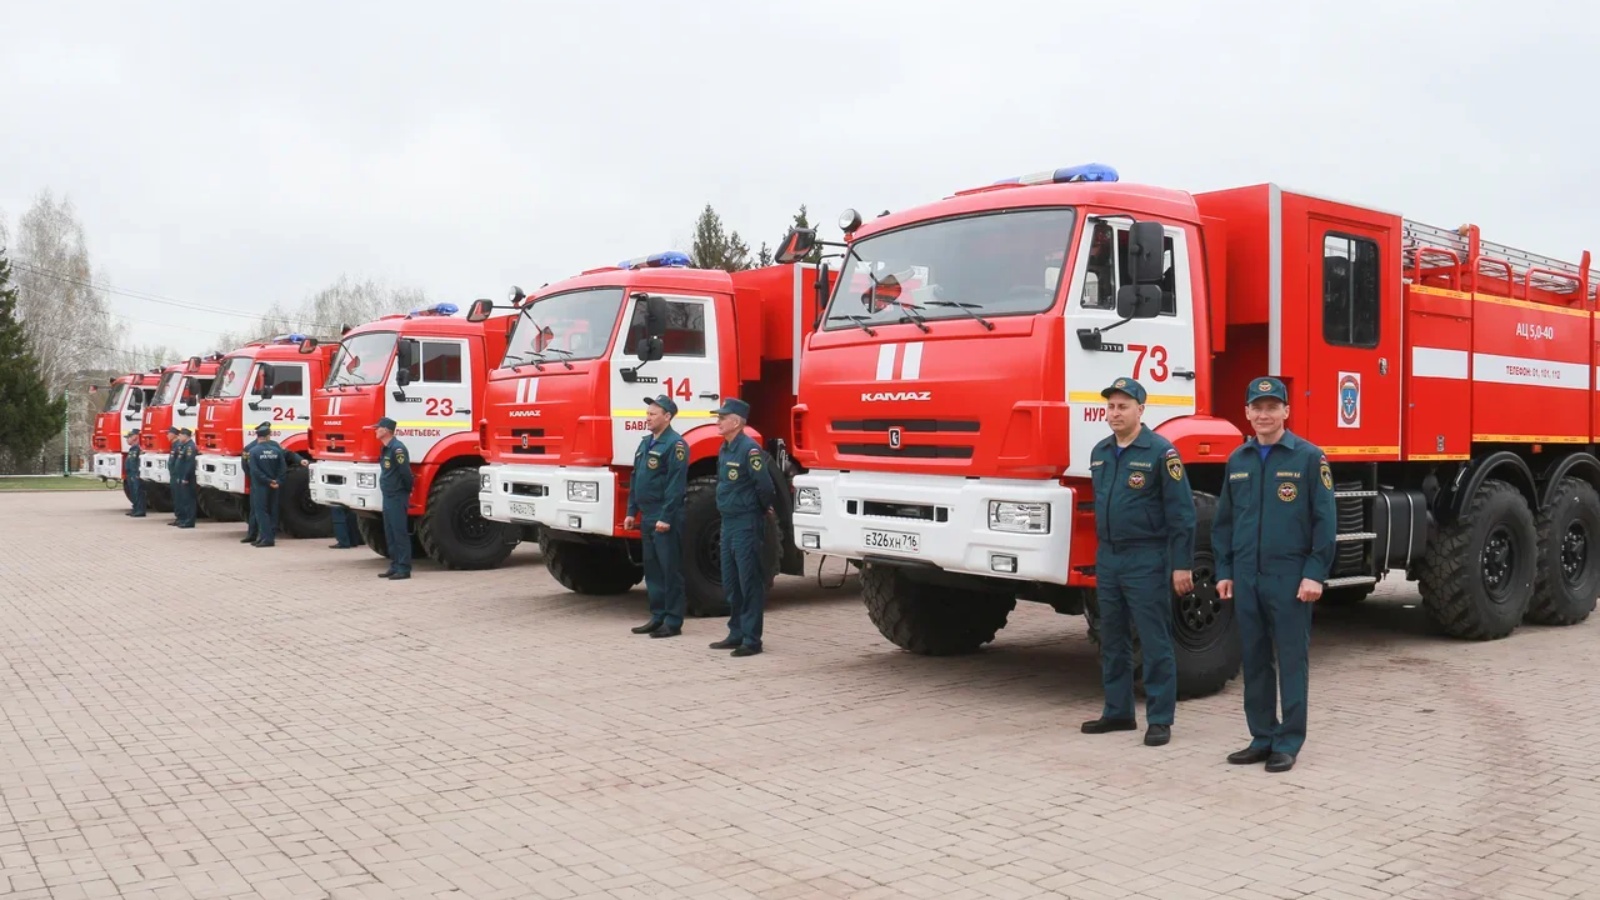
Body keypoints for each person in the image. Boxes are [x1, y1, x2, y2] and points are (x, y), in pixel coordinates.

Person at [1213, 376, 1337, 773]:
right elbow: (1224, 524)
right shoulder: (1238, 461)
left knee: (1292, 658)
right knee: (1254, 658)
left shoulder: (1308, 458)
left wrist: (1314, 573)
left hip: (1289, 577)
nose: (1264, 414)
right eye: (1257, 407)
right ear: (1246, 413)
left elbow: (1324, 521)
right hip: (1247, 576)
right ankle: (1262, 736)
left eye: (1272, 407)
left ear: (1287, 411)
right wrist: (1225, 570)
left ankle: (1288, 741)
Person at [1080, 377, 1195, 747]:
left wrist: (1181, 564)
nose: (1115, 413)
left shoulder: (1161, 453)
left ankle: (1160, 718)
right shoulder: (1100, 452)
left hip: (1147, 557)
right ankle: (1118, 712)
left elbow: (1182, 514)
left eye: (1123, 406)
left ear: (1141, 411)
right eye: (1111, 406)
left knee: (1154, 638)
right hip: (1110, 558)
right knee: (1111, 638)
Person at [708, 398, 776, 657]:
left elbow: (765, 486)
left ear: (736, 422)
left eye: (722, 418)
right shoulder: (725, 448)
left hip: (746, 523)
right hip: (728, 522)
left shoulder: (749, 450)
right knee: (731, 580)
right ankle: (735, 632)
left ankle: (751, 639)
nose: (718, 421)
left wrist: (759, 509)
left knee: (748, 581)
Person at [625, 395, 689, 638]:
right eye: (647, 413)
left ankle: (673, 621)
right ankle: (657, 615)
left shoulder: (676, 445)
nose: (648, 418)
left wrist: (666, 516)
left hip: (664, 517)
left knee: (669, 569)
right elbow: (635, 478)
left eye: (653, 414)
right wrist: (632, 511)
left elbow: (676, 485)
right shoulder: (646, 443)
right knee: (652, 569)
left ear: (668, 417)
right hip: (647, 516)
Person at [245, 422, 308, 547]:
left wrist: (266, 480)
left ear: (258, 435)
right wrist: (277, 481)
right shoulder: (275, 448)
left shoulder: (252, 450)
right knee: (272, 510)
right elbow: (283, 467)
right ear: (268, 435)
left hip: (260, 484)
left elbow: (252, 470)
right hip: (274, 484)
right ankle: (267, 536)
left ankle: (266, 538)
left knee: (261, 511)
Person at [373, 417, 414, 579]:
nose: (376, 431)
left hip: (397, 495)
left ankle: (404, 568)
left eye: (378, 428)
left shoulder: (397, 449)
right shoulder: (385, 448)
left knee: (399, 532)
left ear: (386, 430)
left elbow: (405, 473)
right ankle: (395, 564)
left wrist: (405, 491)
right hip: (388, 495)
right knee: (390, 532)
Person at [170, 428, 198, 529]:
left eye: (181, 435)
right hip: (180, 476)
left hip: (188, 478)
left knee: (188, 500)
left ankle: (189, 521)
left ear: (186, 436)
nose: (179, 437)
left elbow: (189, 464)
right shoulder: (183, 446)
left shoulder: (190, 447)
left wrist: (185, 477)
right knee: (183, 499)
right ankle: (184, 519)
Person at [123, 430, 146, 518]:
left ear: (135, 437)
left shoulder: (139, 448)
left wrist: (137, 473)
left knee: (138, 491)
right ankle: (135, 508)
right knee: (133, 492)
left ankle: (140, 510)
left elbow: (139, 462)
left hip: (135, 473)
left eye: (129, 437)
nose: (127, 440)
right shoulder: (132, 449)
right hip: (130, 473)